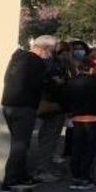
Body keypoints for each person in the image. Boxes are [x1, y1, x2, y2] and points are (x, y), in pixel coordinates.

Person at [0, 35, 57, 192]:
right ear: (45, 48)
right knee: (20, 145)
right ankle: (10, 181)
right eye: (51, 50)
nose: (51, 54)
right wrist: (53, 81)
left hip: (9, 104)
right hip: (24, 106)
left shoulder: (18, 57)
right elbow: (38, 84)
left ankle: (21, 175)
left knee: (19, 142)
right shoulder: (36, 62)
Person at [62, 58, 96, 190]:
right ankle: (86, 176)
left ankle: (76, 176)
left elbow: (64, 98)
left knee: (77, 147)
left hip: (77, 117)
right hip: (94, 116)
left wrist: (69, 110)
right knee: (91, 148)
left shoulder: (71, 81)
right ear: (91, 68)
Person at [33, 40, 74, 182]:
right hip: (54, 105)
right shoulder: (55, 65)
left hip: (52, 104)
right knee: (49, 137)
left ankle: (45, 167)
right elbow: (52, 84)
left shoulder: (54, 63)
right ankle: (42, 170)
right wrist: (58, 82)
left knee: (49, 137)